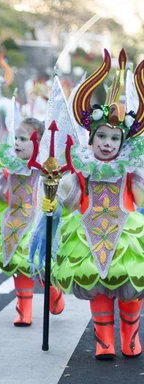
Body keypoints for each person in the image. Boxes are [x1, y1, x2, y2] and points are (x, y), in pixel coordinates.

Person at [50, 49, 144, 360]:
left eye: (114, 139)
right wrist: (56, 193)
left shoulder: (131, 169)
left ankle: (130, 336)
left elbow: (141, 200)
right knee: (99, 287)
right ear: (90, 139)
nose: (107, 143)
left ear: (122, 143)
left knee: (129, 287)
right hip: (87, 234)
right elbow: (69, 201)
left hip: (126, 234)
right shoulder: (81, 170)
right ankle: (104, 340)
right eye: (101, 136)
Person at [0, 117, 65, 326]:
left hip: (37, 225)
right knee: (19, 267)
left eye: (23, 138)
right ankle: (24, 310)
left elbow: (58, 200)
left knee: (42, 266)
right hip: (12, 224)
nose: (16, 142)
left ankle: (53, 292)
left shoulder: (46, 171)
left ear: (39, 143)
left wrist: (53, 208)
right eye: (16, 138)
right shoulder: (9, 169)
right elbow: (2, 201)